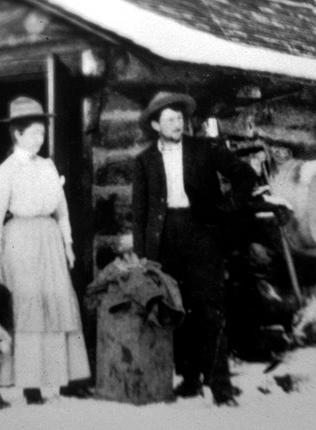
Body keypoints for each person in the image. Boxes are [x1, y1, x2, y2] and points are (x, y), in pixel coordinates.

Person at [130, 91, 261, 406]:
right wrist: (143, 253)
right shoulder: (144, 160)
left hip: (202, 235)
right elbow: (140, 211)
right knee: (177, 309)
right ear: (155, 125)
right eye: (169, 119)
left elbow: (245, 175)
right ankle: (189, 380)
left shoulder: (205, 148)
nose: (177, 124)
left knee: (209, 310)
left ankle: (221, 388)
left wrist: (227, 207)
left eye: (179, 118)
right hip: (164, 239)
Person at [0, 96, 91, 405]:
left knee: (56, 305)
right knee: (29, 309)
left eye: (43, 134)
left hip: (49, 240)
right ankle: (31, 385)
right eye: (34, 134)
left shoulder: (47, 166)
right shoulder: (3, 172)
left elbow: (62, 210)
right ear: (17, 134)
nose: (40, 140)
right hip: (21, 241)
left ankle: (60, 377)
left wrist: (67, 243)